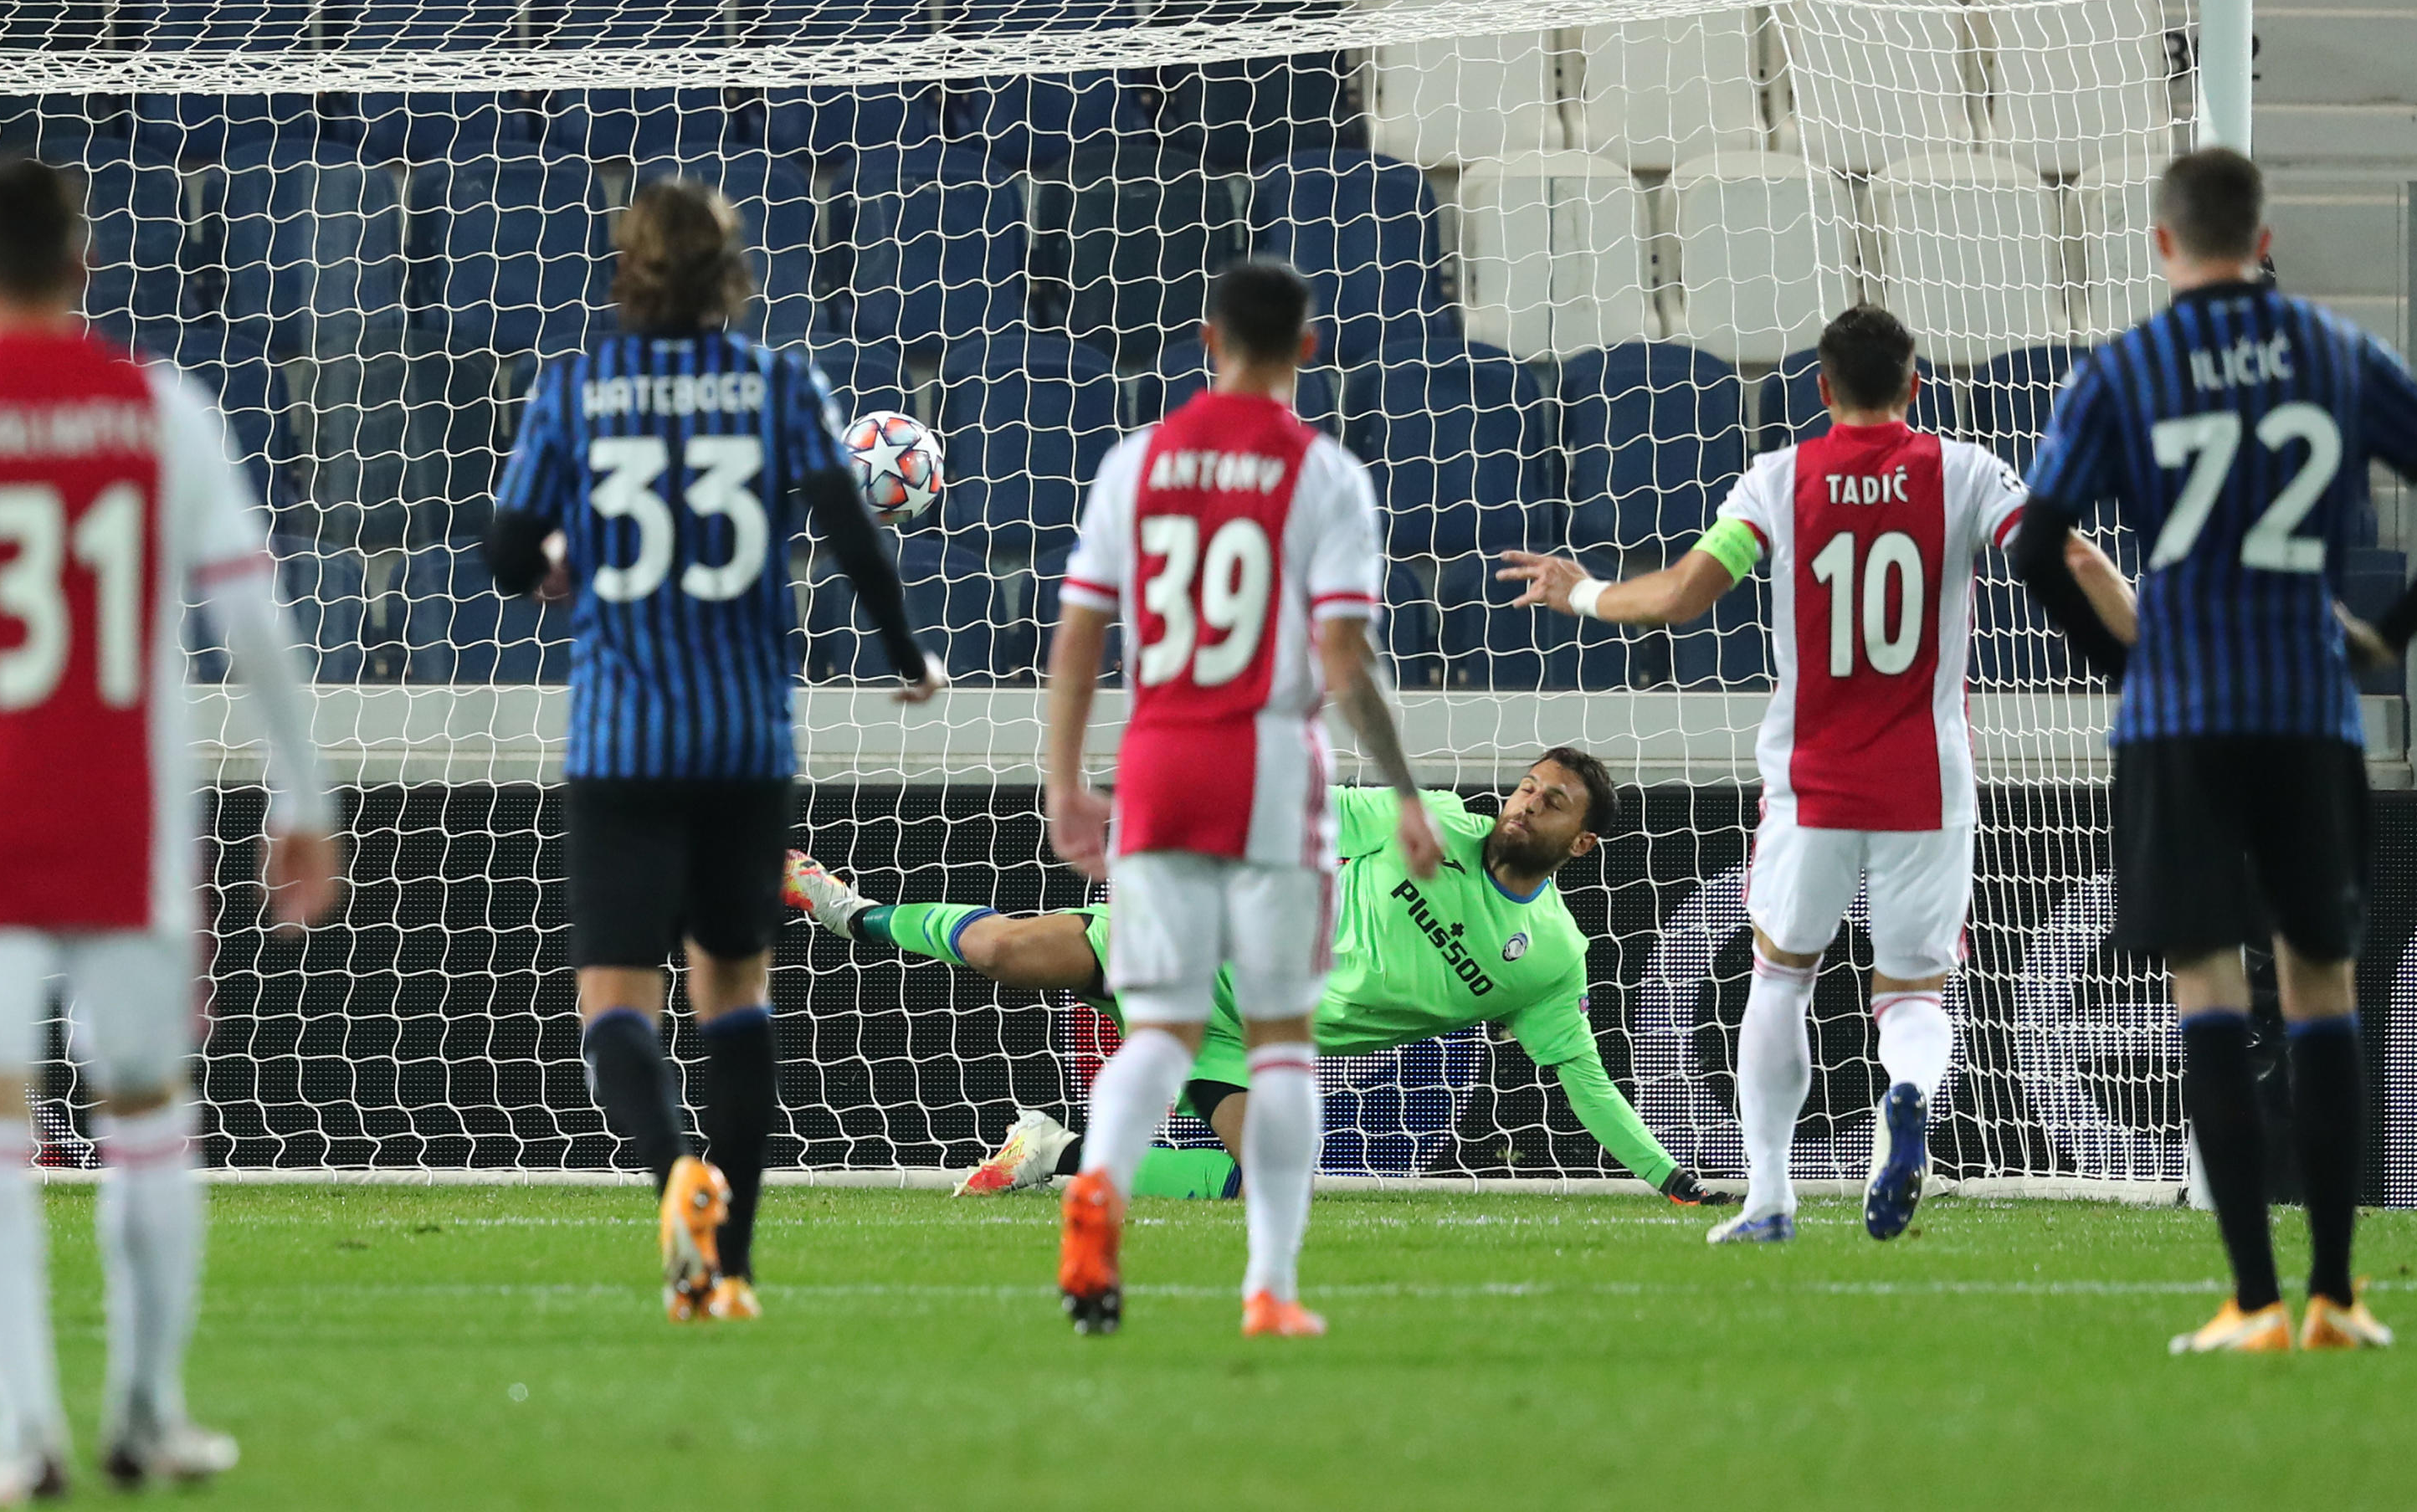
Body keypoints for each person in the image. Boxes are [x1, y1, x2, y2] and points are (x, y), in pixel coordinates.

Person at [1499, 305, 2134, 1248]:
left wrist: (1582, 590)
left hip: (1815, 780)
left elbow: (1680, 594)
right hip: (1929, 776)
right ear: (1917, 386)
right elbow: (2071, 556)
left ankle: (1768, 1197)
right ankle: (1908, 1095)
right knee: (1915, 993)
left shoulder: (1780, 478)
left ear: (1823, 390)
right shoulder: (1964, 471)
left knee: (1781, 977)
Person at [2013, 148, 2417, 1355]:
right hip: (2307, 712)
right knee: (2324, 989)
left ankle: (2251, 1303)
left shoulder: (2125, 367)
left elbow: (2037, 547)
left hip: (2180, 719)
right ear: (2268, 239)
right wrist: (2385, 633)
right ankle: (2338, 1295)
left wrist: (2131, 665)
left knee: (2210, 992)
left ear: (2163, 245)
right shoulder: (2337, 354)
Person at [0, 159, 341, 1507]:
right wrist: (302, 795)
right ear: (89, 271)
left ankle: (21, 1439)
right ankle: (149, 1416)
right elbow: (257, 622)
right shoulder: (161, 408)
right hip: (127, 820)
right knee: (151, 1120)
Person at [485, 179, 944, 1324]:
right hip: (742, 741)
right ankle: (729, 1264)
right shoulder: (779, 386)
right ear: (729, 275)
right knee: (735, 993)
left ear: (627, 272)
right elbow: (846, 525)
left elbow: (501, 551)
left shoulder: (578, 387)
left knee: (616, 1003)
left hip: (622, 740)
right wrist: (906, 654)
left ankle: (670, 1172)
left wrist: (553, 563)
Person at [1039, 259, 1440, 1338]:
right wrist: (1402, 792)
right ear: (1308, 349)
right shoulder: (1326, 478)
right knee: (1279, 1044)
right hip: (1270, 768)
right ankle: (1269, 1283)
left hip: (1160, 763)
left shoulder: (1137, 462)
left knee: (1160, 1032)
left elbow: (1078, 636)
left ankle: (1099, 1194)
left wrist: (1066, 779)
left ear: (1208, 338)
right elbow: (1345, 661)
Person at [786, 751, 1723, 1205]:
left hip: (1244, 1034)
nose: (1525, 803)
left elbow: (1585, 1081)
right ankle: (841, 903)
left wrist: (1671, 1175)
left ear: (1582, 840)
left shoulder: (1553, 960)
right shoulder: (1430, 820)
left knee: (1272, 1179)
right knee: (1006, 953)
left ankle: (1050, 1155)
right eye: (1527, 786)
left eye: (1551, 802)